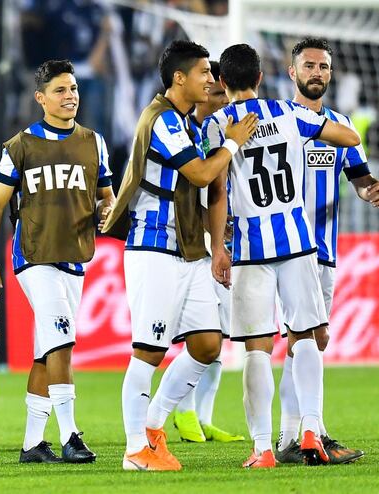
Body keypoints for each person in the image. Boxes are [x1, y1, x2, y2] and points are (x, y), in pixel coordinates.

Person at [100, 40, 258, 471]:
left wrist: (217, 245)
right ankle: (136, 449)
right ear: (179, 78)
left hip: (186, 251)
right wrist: (231, 143)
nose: (212, 79)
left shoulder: (186, 123)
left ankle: (153, 427)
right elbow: (202, 174)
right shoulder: (163, 120)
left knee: (207, 344)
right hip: (154, 249)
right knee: (148, 351)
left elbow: (202, 196)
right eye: (205, 72)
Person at [202, 43, 360, 468]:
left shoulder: (216, 125)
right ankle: (310, 430)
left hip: (251, 251)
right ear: (259, 78)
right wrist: (316, 126)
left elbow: (216, 191)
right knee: (306, 336)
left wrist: (218, 247)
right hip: (297, 242)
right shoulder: (288, 113)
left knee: (256, 349)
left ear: (221, 82)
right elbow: (351, 137)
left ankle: (263, 449)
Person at [0, 59, 113, 464]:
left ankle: (32, 444)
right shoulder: (20, 146)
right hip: (34, 256)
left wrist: (106, 211)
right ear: (40, 98)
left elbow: (107, 197)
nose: (70, 95)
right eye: (59, 90)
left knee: (45, 349)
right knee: (61, 338)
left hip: (75, 257)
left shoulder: (94, 142)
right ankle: (71, 433)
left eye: (72, 88)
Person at [275, 37, 379, 465]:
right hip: (282, 248)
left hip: (324, 250)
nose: (317, 72)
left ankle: (296, 434)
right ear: (292, 72)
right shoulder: (279, 121)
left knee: (306, 343)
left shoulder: (340, 127)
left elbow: (359, 178)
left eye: (323, 66)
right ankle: (303, 433)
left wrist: (372, 189)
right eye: (309, 66)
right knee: (306, 338)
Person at [172, 60, 245, 444]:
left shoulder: (221, 132)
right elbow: (195, 188)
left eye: (225, 93)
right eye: (217, 93)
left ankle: (202, 416)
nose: (222, 100)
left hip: (223, 241)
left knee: (221, 335)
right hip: (193, 245)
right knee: (205, 334)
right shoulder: (189, 134)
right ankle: (182, 412)